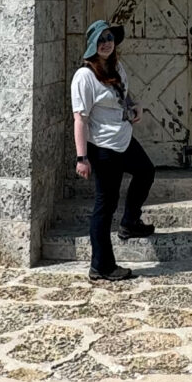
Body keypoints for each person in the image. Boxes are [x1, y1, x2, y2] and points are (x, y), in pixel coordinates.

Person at [72, 19, 157, 281]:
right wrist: (82, 158)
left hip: (124, 139)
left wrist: (135, 105)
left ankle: (130, 222)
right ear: (92, 46)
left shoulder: (117, 67)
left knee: (145, 172)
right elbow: (80, 119)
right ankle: (101, 265)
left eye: (109, 38)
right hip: (104, 148)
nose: (106, 43)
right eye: (100, 40)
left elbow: (123, 95)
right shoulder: (85, 76)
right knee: (105, 205)